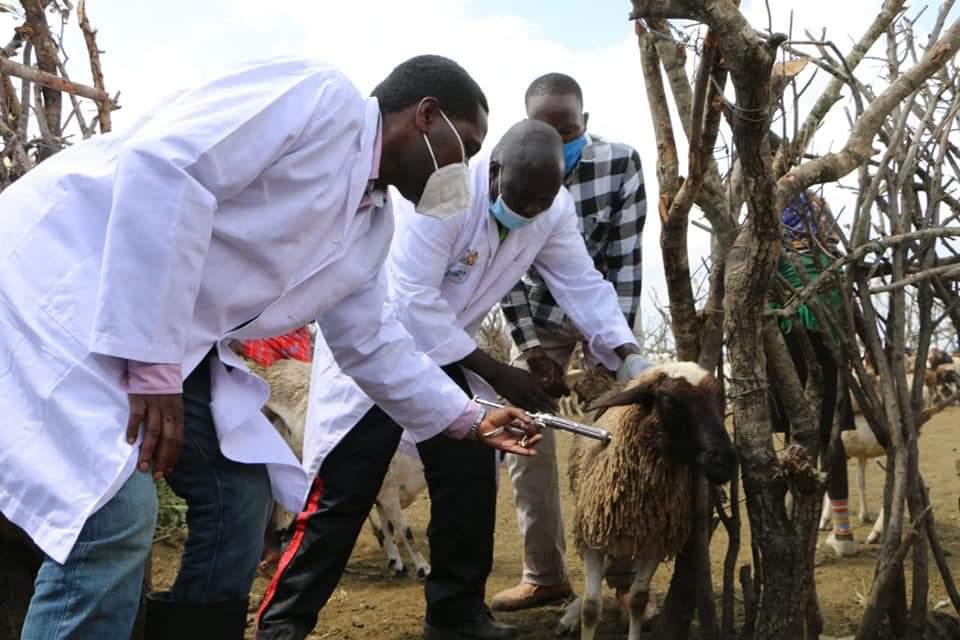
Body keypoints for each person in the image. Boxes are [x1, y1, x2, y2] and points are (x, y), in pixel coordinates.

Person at [0, 55, 536, 640]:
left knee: (238, 495)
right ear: (426, 117)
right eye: (467, 147)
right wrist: (153, 363)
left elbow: (370, 343)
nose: (465, 170)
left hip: (163, 338)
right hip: (57, 286)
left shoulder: (371, 224)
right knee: (111, 518)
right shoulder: (320, 102)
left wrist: (468, 416)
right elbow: (165, 165)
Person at [255, 120, 649, 640]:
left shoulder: (552, 210)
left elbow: (582, 284)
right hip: (380, 349)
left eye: (543, 200)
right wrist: (500, 372)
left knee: (470, 476)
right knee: (345, 488)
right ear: (495, 170)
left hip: (452, 351)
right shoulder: (444, 196)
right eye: (523, 197)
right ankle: (282, 625)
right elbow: (411, 300)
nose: (531, 210)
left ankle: (455, 616)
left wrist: (628, 355)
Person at [493, 73, 648, 611]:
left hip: (604, 312)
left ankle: (625, 580)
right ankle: (544, 575)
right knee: (525, 436)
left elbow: (624, 264)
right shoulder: (508, 166)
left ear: (587, 122)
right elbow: (504, 273)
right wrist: (530, 350)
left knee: (625, 437)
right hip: (535, 318)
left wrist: (616, 356)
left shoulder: (619, 164)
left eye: (570, 131)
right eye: (546, 132)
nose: (560, 143)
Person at [769, 191, 857, 557]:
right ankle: (838, 531)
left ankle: (823, 531)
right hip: (818, 345)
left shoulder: (786, 248)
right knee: (822, 439)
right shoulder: (827, 258)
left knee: (810, 440)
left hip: (799, 344)